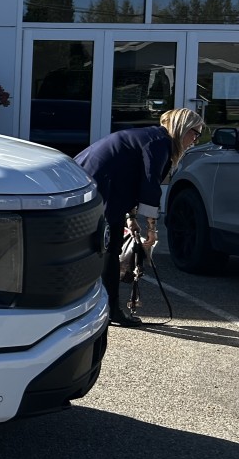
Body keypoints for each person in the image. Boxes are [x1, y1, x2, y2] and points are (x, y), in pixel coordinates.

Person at [75, 108, 205, 326]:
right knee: (106, 250)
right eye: (196, 133)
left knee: (107, 248)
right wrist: (152, 229)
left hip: (97, 185)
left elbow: (132, 180)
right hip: (97, 187)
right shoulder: (159, 143)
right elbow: (149, 185)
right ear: (183, 128)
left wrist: (131, 218)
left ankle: (107, 308)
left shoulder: (154, 138)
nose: (196, 140)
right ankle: (109, 310)